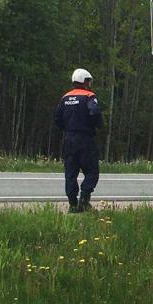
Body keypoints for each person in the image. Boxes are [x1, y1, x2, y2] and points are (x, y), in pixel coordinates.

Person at [54, 68, 103, 213]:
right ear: (85, 82)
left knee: (70, 171)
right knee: (92, 171)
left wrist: (67, 128)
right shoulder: (89, 96)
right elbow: (94, 112)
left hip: (68, 139)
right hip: (86, 138)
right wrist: (98, 125)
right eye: (89, 81)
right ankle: (84, 200)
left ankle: (72, 203)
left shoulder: (65, 97)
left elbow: (57, 118)